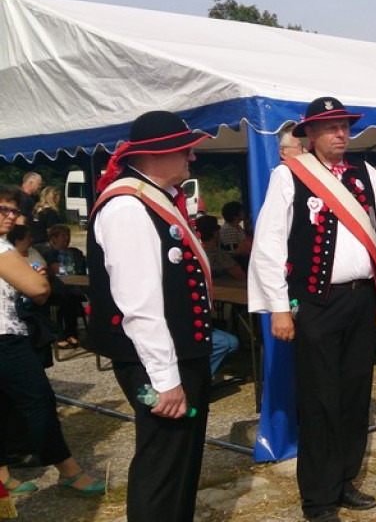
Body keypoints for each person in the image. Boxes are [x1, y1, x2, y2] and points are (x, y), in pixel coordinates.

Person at [248, 96, 376, 519]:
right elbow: (270, 244)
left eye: (345, 126)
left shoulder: (363, 172)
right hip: (316, 304)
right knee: (319, 399)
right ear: (310, 134)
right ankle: (318, 497)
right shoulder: (288, 175)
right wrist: (278, 307)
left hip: (361, 300)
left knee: (353, 394)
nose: (342, 134)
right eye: (331, 127)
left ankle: (345, 479)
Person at [85, 110, 214, 521]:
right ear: (158, 154)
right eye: (185, 150)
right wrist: (165, 379)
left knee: (180, 462)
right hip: (158, 360)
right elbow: (139, 303)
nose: (191, 158)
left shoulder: (150, 199)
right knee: (162, 465)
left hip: (178, 354)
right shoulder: (128, 206)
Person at [0, 186, 105, 498]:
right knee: (39, 402)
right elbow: (38, 290)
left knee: (4, 405)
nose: (12, 216)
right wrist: (40, 277)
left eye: (14, 211)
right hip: (6, 338)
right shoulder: (2, 249)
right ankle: (68, 471)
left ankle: (3, 476)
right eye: (3, 209)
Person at [194, 216, 241, 376]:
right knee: (231, 342)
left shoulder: (195, 252)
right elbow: (240, 276)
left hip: (206, 307)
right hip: (222, 303)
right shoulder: (218, 254)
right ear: (215, 233)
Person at [44, 224, 88, 349]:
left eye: (67, 235)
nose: (66, 238)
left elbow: (82, 269)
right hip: (60, 287)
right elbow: (57, 271)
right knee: (66, 299)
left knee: (73, 297)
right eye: (63, 235)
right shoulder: (51, 254)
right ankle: (64, 335)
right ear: (54, 238)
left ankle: (72, 333)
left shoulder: (76, 252)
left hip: (78, 285)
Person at [30, 186, 63, 251]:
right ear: (54, 198)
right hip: (45, 244)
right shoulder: (50, 212)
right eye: (58, 197)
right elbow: (52, 230)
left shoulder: (35, 211)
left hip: (33, 243)